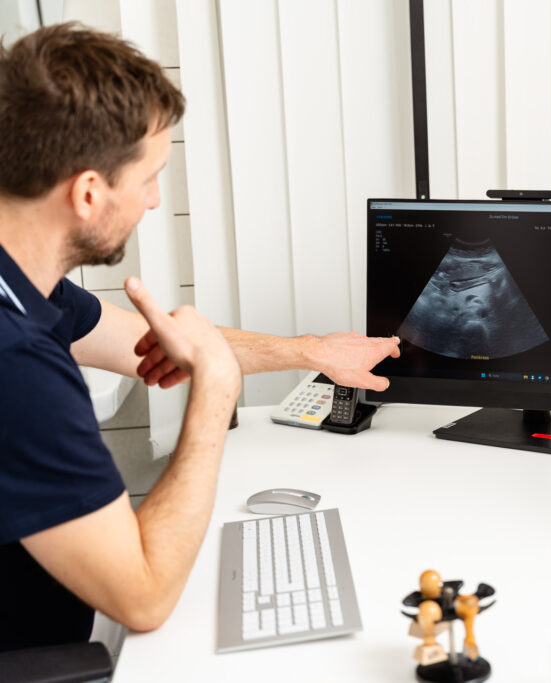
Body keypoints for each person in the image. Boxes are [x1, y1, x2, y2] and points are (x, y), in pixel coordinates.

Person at [0, 24, 400, 651]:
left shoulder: (22, 284)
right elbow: (145, 595)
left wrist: (312, 352)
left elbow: (145, 340)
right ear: (87, 192)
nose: (156, 200)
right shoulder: (15, 363)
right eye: (151, 176)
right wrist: (217, 391)